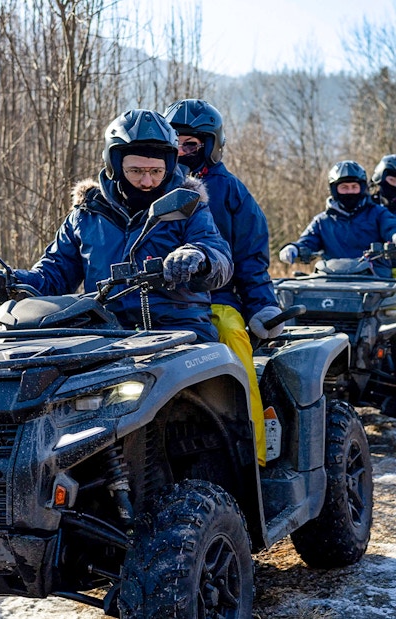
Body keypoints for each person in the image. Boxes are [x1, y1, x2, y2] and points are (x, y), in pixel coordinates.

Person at [0, 109, 234, 344]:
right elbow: (53, 275)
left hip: (179, 331)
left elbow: (218, 255)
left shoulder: (188, 205)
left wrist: (199, 257)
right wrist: (10, 280)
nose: (146, 181)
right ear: (115, 166)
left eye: (156, 171)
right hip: (102, 332)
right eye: (136, 171)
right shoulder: (87, 214)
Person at [164, 98, 283, 466]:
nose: (182, 153)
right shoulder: (151, 187)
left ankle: (256, 457)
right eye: (176, 144)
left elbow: (250, 257)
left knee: (234, 343)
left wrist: (262, 304)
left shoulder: (231, 192)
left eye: (192, 145)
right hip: (154, 305)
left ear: (212, 146)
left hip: (217, 299)